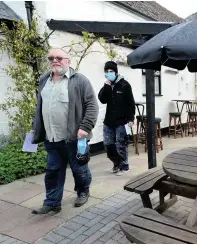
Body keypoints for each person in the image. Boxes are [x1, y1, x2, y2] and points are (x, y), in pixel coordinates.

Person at [31, 48, 99, 214]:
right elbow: (41, 107)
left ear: (68, 61)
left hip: (74, 137)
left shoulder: (79, 80)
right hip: (51, 137)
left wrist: (85, 127)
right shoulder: (44, 80)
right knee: (53, 171)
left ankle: (83, 191)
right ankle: (52, 202)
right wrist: (35, 126)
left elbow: (92, 105)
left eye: (59, 57)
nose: (55, 60)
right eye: (51, 58)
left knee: (79, 169)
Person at [98, 61, 135, 176]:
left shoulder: (124, 85)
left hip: (122, 121)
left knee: (121, 144)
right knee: (108, 144)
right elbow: (102, 99)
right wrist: (106, 86)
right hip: (109, 121)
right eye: (107, 72)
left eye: (111, 71)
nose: (109, 73)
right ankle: (116, 163)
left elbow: (130, 103)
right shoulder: (107, 86)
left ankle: (124, 166)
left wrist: (130, 119)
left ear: (116, 72)